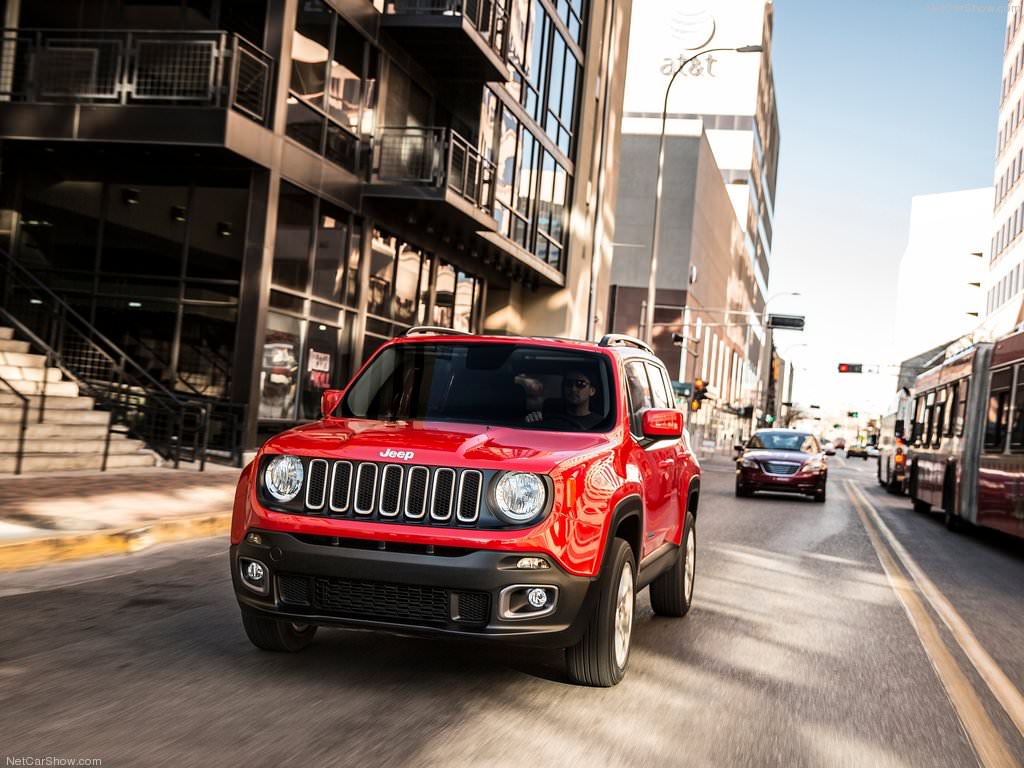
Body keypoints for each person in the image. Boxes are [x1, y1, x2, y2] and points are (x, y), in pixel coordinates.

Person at [524, 369, 603, 430]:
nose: (573, 389)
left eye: (580, 384)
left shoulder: (602, 424)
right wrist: (532, 422)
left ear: (592, 391)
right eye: (569, 384)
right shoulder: (548, 419)